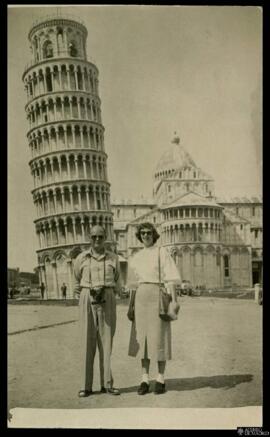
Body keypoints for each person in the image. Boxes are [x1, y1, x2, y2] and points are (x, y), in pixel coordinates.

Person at [127, 222, 181, 395]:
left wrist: (173, 302)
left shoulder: (161, 252)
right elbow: (132, 286)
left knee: (159, 338)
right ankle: (144, 379)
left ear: (154, 234)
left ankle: (160, 378)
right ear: (139, 236)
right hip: (141, 297)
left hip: (158, 295)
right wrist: (130, 306)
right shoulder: (136, 257)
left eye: (148, 233)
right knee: (142, 339)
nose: (145, 236)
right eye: (142, 233)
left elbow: (171, 278)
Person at [73, 225, 122, 398]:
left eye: (100, 236)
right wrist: (86, 294)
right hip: (87, 297)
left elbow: (118, 283)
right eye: (94, 237)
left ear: (106, 237)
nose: (97, 240)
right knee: (87, 342)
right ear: (89, 238)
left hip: (107, 298)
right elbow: (76, 282)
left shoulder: (113, 258)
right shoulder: (81, 258)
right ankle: (85, 386)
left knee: (106, 342)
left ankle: (107, 384)